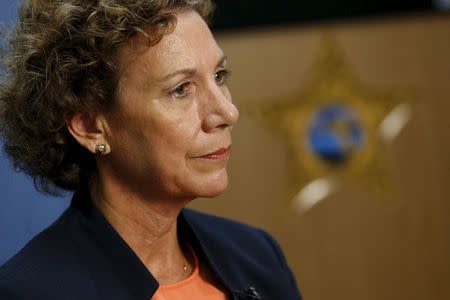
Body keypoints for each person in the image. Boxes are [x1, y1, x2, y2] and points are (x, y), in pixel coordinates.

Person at [0, 0, 302, 299]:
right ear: (91, 127)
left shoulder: (258, 257)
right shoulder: (31, 291)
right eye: (181, 89)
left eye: (219, 76)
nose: (227, 112)